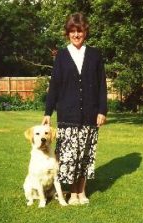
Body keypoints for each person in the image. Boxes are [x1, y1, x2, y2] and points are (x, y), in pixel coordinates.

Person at [42, 12, 107, 205]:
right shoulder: (62, 55)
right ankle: (71, 192)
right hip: (67, 115)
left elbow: (102, 85)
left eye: (79, 31)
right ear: (68, 33)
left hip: (90, 115)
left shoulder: (95, 55)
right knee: (70, 157)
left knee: (85, 155)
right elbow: (54, 85)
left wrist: (102, 110)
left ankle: (81, 192)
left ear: (85, 32)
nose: (76, 35)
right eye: (73, 31)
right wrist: (47, 112)